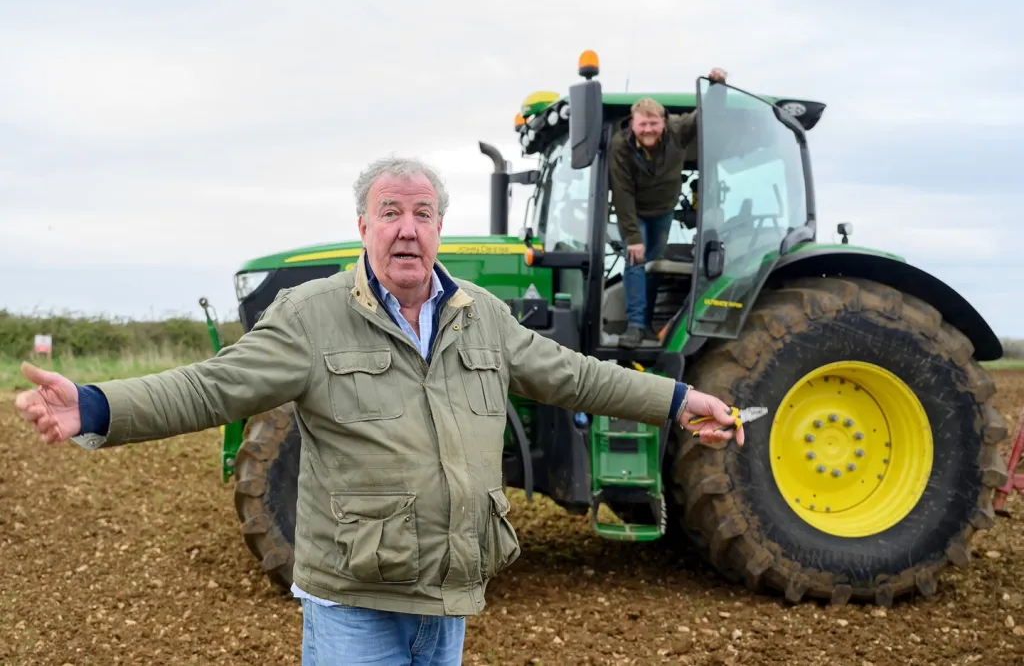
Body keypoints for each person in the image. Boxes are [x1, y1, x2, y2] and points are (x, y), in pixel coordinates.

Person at [14, 156, 745, 666]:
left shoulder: (481, 315)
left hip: (448, 598)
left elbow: (576, 376)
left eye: (422, 214)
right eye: (389, 212)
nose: (406, 228)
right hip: (355, 603)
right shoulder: (311, 315)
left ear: (439, 229)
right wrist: (96, 404)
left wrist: (679, 400)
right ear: (363, 225)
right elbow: (213, 386)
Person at [608, 68, 728, 348]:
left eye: (653, 123)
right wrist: (632, 237)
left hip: (663, 211)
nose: (648, 129)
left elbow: (706, 115)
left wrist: (717, 88)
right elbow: (622, 192)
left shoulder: (678, 130)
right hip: (635, 210)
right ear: (633, 124)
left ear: (664, 122)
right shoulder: (620, 146)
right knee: (636, 260)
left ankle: (649, 324)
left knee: (654, 264)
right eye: (643, 124)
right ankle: (636, 326)